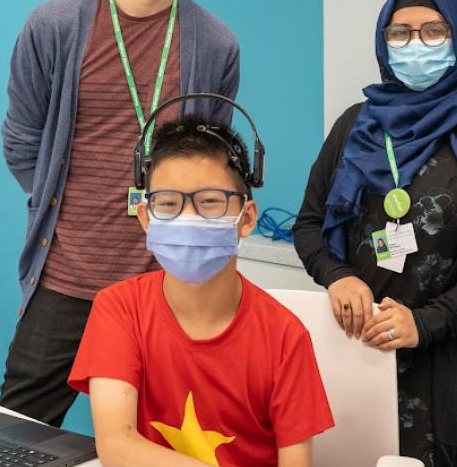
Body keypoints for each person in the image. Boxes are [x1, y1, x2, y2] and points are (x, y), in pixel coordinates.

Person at [0, 0, 240, 426]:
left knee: (167, 435)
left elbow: (211, 161)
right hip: (65, 273)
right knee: (18, 434)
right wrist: (67, 210)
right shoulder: (54, 26)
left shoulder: (216, 43)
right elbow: (21, 141)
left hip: (165, 279)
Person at [293, 0, 457, 466]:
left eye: (433, 31)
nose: (415, 45)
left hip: (446, 357)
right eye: (400, 33)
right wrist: (338, 276)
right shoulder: (355, 124)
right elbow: (309, 224)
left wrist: (425, 323)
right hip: (353, 345)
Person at [68, 116, 334, 467]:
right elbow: (117, 446)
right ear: (146, 218)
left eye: (210, 202)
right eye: (168, 203)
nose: (187, 218)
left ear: (247, 218)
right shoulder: (119, 309)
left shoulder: (285, 337)